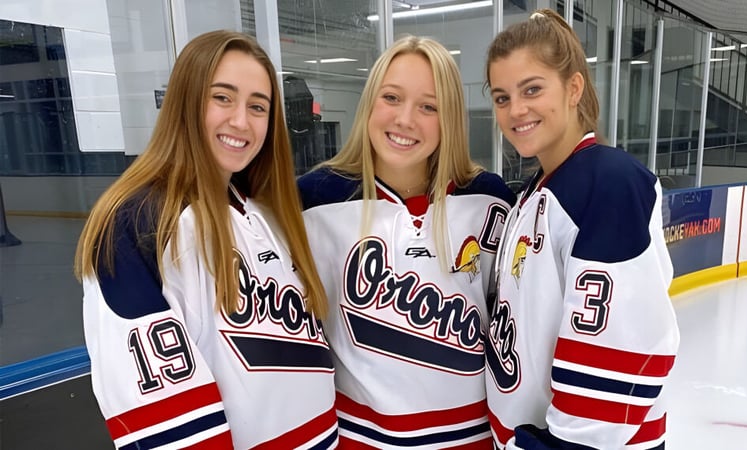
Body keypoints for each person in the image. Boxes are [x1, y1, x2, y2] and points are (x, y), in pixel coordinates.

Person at [74, 30, 338, 449]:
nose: (241, 121)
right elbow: (162, 412)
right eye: (222, 98)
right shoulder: (138, 224)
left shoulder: (266, 210)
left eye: (258, 106)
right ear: (186, 101)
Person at [298, 35, 516, 449]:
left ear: (449, 116)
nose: (405, 119)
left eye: (428, 106)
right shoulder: (313, 199)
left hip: (471, 439)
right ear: (370, 104)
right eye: (392, 97)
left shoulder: (489, 199)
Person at [483, 9, 680, 450]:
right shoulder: (534, 192)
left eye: (532, 89)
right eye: (501, 97)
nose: (516, 110)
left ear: (574, 88)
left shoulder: (609, 183)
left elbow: (624, 348)